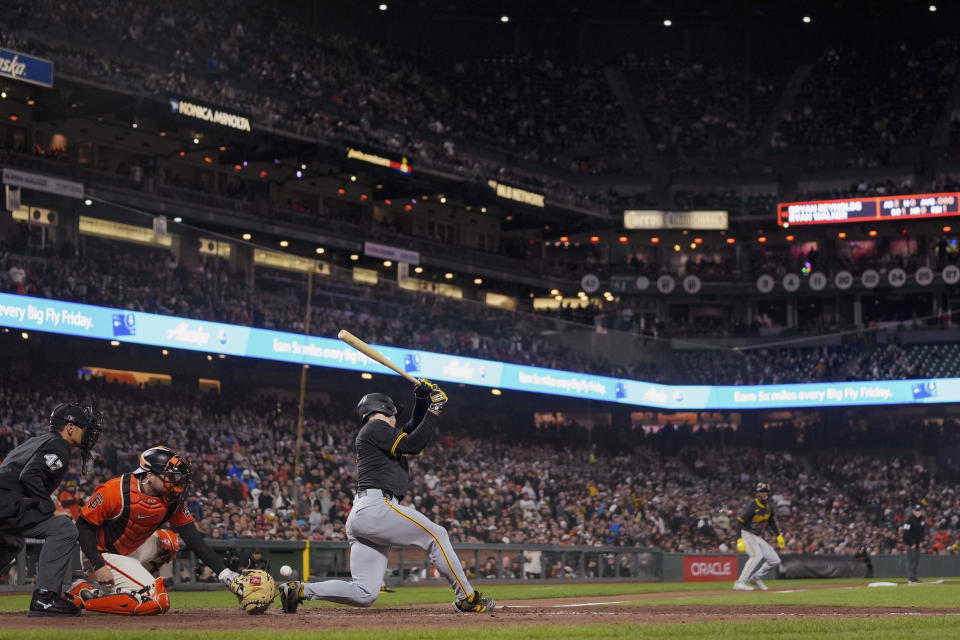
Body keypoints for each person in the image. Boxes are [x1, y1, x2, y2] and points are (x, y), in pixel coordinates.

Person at [279, 379, 495, 614]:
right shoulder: (375, 427)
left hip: (363, 513)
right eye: (394, 413)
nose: (396, 418)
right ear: (385, 409)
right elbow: (413, 443)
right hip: (376, 507)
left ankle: (299, 590)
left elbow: (409, 432)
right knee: (437, 535)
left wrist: (421, 401)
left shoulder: (376, 433)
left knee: (365, 593)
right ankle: (467, 598)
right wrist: (435, 408)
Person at [67, 446, 241, 615]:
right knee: (157, 601)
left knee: (169, 542)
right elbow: (82, 526)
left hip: (130, 551)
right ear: (149, 476)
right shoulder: (115, 490)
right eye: (172, 477)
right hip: (101, 554)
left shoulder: (171, 500)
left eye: (179, 478)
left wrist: (227, 575)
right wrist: (98, 564)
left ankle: (119, 588)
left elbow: (192, 537)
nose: (178, 484)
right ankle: (84, 597)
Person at [0, 402, 102, 617]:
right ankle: (45, 598)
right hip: (7, 504)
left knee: (11, 541)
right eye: (85, 427)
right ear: (70, 428)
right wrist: (50, 509)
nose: (88, 434)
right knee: (63, 528)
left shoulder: (38, 441)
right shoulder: (59, 445)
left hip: (6, 503)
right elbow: (30, 476)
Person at [733, 481, 785, 591]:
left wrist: (778, 535)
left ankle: (756, 577)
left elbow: (771, 522)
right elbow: (739, 522)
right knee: (756, 555)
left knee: (775, 560)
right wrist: (739, 540)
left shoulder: (769, 507)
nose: (764, 494)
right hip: (747, 533)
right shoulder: (753, 504)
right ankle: (740, 582)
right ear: (758, 493)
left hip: (757, 536)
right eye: (762, 491)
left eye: (766, 491)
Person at [903, 504, 926, 584]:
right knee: (910, 560)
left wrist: (921, 541)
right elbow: (905, 533)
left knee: (916, 560)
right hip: (909, 543)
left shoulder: (922, 519)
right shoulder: (909, 519)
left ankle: (915, 577)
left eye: (919, 511)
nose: (918, 512)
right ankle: (911, 578)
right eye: (916, 511)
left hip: (917, 543)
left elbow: (922, 531)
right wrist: (911, 543)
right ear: (913, 511)